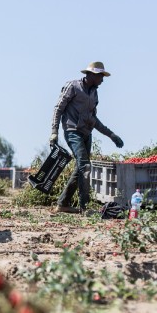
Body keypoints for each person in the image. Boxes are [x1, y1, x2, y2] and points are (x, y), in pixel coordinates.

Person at [50, 61, 124, 214]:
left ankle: (62, 204)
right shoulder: (73, 87)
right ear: (92, 75)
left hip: (86, 134)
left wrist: (111, 135)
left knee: (80, 169)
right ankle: (85, 207)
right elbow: (58, 108)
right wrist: (54, 131)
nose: (102, 80)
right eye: (100, 77)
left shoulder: (94, 93)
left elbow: (93, 119)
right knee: (86, 167)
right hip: (72, 131)